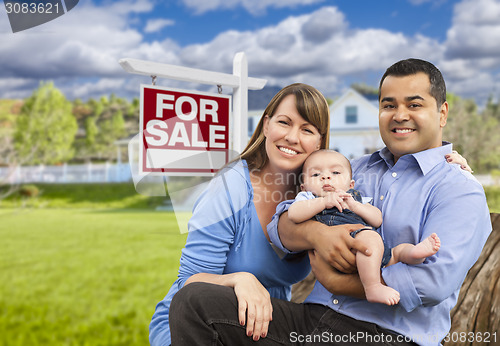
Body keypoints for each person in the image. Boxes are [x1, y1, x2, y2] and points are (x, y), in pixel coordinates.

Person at [169, 58, 491, 346]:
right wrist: (316, 235)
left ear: (442, 112)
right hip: (310, 321)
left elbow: (432, 283)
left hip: (385, 335)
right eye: (389, 105)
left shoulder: (458, 189)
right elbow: (280, 226)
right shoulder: (354, 169)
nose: (399, 115)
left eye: (414, 104)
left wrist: (338, 281)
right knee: (196, 302)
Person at [149, 83, 358, 345]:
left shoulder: (314, 194)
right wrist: (239, 279)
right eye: (285, 122)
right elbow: (189, 282)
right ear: (266, 125)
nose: (293, 137)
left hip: (263, 325)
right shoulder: (231, 186)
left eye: (307, 129)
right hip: (196, 324)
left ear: (319, 141)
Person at [288, 149, 441, 306]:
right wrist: (323, 202)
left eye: (335, 172)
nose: (326, 177)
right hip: (346, 247)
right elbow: (294, 214)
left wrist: (356, 206)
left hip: (370, 251)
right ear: (303, 187)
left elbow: (377, 219)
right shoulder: (308, 198)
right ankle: (373, 286)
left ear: (350, 185)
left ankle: (415, 253)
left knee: (397, 252)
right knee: (371, 238)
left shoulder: (354, 198)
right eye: (315, 175)